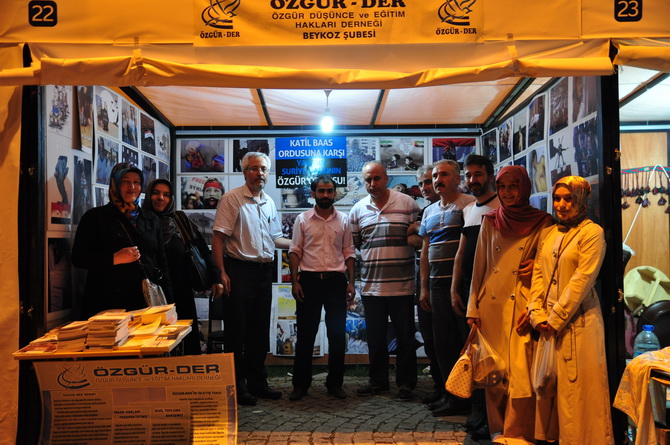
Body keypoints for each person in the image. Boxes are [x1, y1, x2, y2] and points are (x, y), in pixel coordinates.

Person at [466, 165, 554, 444]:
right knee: (494, 371)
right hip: (491, 305)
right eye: (502, 187)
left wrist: (538, 264)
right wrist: (472, 308)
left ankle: (518, 431)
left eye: (513, 186)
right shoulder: (491, 220)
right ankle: (497, 430)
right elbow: (479, 267)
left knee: (520, 370)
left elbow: (551, 264)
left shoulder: (543, 222)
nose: (506, 193)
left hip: (523, 304)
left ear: (524, 187)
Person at [528, 176, 614, 444]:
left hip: (579, 323)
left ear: (581, 200)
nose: (561, 205)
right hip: (549, 325)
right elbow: (538, 275)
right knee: (550, 389)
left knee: (580, 395)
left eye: (568, 199)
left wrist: (555, 319)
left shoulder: (592, 233)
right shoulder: (548, 233)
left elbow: (582, 280)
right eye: (557, 199)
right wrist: (536, 313)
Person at [211, 151, 291, 406]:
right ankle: (236, 384)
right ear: (245, 172)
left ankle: (258, 381)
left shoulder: (269, 202)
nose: (260, 173)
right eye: (254, 168)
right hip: (239, 271)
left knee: (259, 330)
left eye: (264, 169)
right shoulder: (232, 199)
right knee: (237, 330)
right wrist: (221, 272)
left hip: (264, 272)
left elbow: (276, 239)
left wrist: (302, 242)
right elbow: (218, 237)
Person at [349, 161, 420, 400]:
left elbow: (418, 237)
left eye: (377, 178)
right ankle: (378, 382)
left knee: (405, 337)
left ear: (386, 178)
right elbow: (356, 244)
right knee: (375, 339)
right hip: (372, 287)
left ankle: (406, 383)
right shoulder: (357, 210)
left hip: (403, 285)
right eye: (368, 180)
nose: (373, 184)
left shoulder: (408, 204)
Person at [72, 162, 172, 318]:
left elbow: (162, 262)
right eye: (126, 182)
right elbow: (78, 258)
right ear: (115, 184)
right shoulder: (95, 217)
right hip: (108, 304)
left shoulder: (151, 219)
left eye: (136, 182)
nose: (132, 187)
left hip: (145, 302)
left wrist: (169, 304)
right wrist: (114, 259)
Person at [288, 175, 356, 401]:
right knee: (306, 335)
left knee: (337, 335)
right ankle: (300, 385)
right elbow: (295, 251)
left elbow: (349, 252)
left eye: (329, 191)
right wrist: (295, 282)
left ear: (335, 193)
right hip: (309, 282)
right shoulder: (302, 219)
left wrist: (351, 282)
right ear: (313, 193)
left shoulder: (344, 220)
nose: (325, 195)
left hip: (336, 283)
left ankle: (335, 383)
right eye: (321, 191)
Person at [418, 159, 475, 416]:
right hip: (436, 284)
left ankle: (466, 398)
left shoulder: (468, 205)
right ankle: (448, 393)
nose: (437, 180)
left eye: (443, 175)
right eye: (435, 176)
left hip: (460, 285)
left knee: (463, 341)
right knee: (442, 343)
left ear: (457, 178)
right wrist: (424, 288)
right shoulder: (428, 211)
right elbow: (425, 251)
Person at [143, 179, 223, 355]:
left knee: (187, 343)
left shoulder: (179, 220)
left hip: (182, 293)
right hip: (153, 296)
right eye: (156, 193)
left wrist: (216, 277)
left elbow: (203, 250)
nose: (161, 198)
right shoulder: (140, 223)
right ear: (148, 195)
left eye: (166, 195)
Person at [450, 154, 500, 438]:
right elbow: (460, 253)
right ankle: (478, 412)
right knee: (471, 351)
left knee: (489, 355)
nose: (472, 180)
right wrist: (454, 288)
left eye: (477, 174)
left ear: (490, 176)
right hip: (468, 288)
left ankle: (491, 418)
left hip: (492, 290)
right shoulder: (469, 209)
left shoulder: (502, 206)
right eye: (468, 175)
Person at [406, 165, 441, 404]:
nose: (425, 187)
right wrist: (423, 231)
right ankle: (440, 387)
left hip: (447, 279)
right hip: (425, 279)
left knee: (447, 337)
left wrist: (421, 230)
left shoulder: (461, 207)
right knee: (429, 336)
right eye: (422, 183)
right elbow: (411, 239)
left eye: (429, 181)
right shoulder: (425, 211)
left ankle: (454, 390)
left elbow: (419, 236)